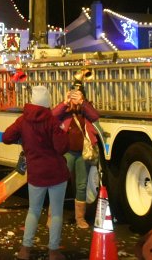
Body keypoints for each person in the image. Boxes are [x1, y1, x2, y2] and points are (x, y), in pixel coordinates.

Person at [3, 85, 68, 260]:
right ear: (47, 102)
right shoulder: (53, 121)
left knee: (33, 210)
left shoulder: (23, 120)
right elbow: (61, 148)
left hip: (36, 173)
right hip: (56, 172)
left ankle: (26, 249)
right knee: (56, 213)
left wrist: (22, 138)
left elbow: (6, 137)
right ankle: (53, 251)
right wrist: (63, 133)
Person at [52, 87, 100, 229]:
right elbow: (52, 116)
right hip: (67, 153)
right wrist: (65, 103)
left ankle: (80, 218)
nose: (74, 98)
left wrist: (83, 102)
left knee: (82, 185)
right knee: (58, 183)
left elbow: (95, 116)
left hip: (83, 153)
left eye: (77, 95)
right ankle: (53, 217)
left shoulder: (86, 109)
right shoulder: (65, 111)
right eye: (72, 95)